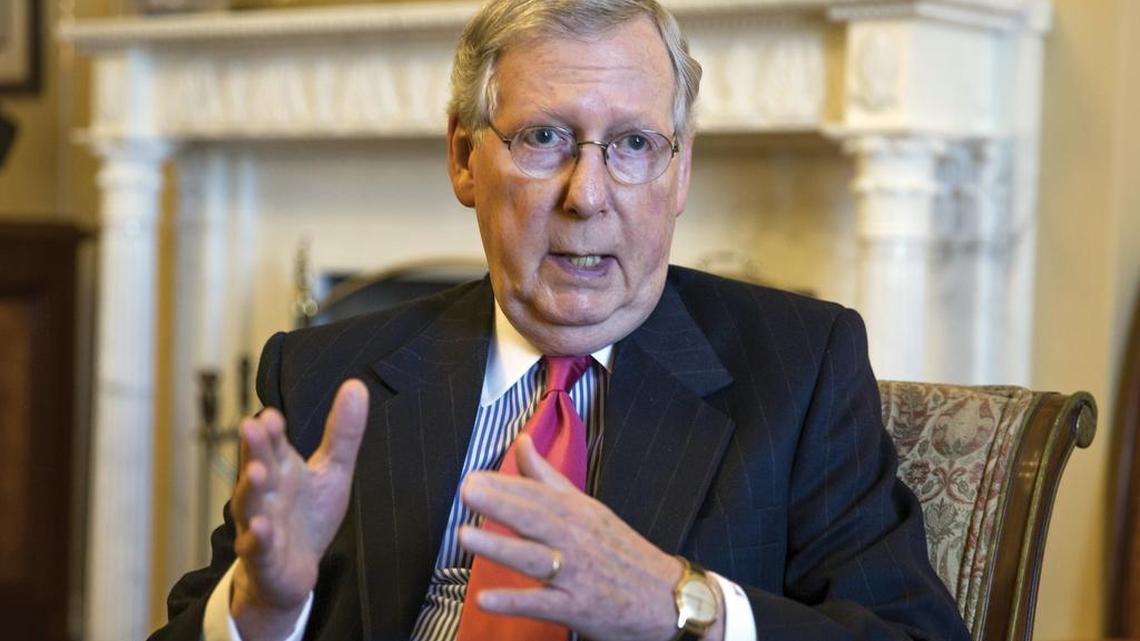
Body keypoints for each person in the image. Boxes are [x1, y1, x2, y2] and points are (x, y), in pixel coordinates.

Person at [150, 1, 971, 640]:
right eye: (544, 138)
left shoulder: (798, 369)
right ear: (463, 157)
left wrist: (682, 604)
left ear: (681, 170)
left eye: (635, 144)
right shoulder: (329, 377)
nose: (587, 195)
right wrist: (262, 609)